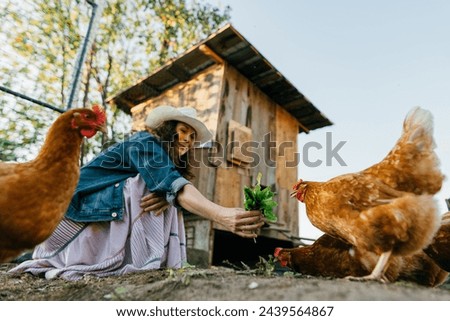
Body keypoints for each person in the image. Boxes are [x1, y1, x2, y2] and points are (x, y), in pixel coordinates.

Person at [9, 105, 264, 280]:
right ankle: (138, 259)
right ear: (167, 130)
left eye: (192, 136)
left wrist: (168, 195)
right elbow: (173, 184)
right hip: (74, 214)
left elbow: (171, 186)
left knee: (165, 192)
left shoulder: (161, 159)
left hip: (86, 212)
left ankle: (140, 257)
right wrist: (222, 215)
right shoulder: (145, 142)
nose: (188, 139)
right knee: (157, 186)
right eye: (183, 131)